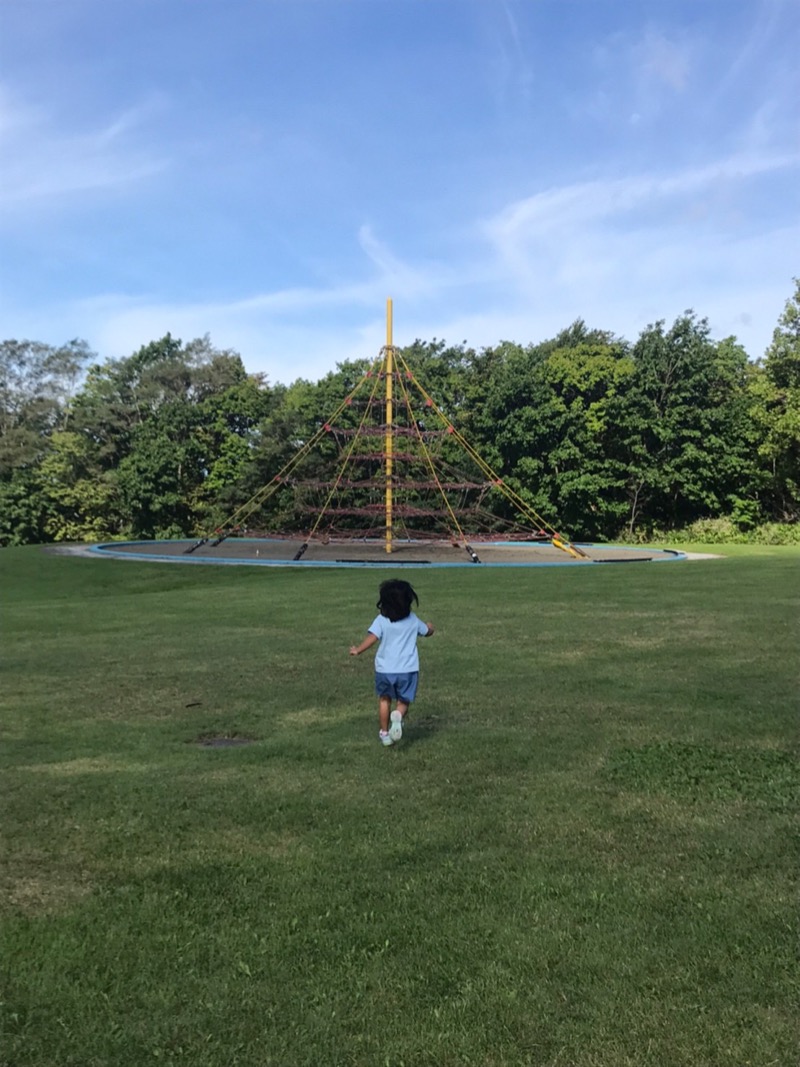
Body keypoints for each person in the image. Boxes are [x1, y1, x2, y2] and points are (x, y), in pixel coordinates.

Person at [349, 579, 435, 746]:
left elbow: (372, 638)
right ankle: (399, 715)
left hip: (385, 669)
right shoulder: (412, 620)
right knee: (403, 701)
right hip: (408, 669)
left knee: (384, 699)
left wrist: (358, 650)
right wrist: (431, 627)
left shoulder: (381, 620)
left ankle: (384, 734)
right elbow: (426, 632)